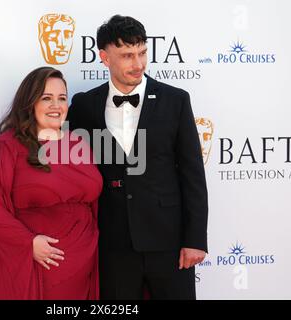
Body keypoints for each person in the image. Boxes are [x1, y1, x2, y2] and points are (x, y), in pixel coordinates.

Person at [67, 15, 208, 299]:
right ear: (105, 58)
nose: (138, 64)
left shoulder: (176, 100)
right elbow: (69, 165)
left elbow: (192, 174)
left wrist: (195, 240)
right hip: (113, 243)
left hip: (169, 241)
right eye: (127, 55)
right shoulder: (84, 105)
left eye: (142, 53)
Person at [0, 66, 102, 299]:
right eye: (46, 98)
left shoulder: (79, 143)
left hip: (82, 266)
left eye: (62, 98)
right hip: (34, 266)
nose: (56, 106)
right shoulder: (4, 147)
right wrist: (28, 242)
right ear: (30, 103)